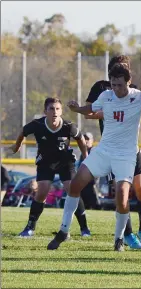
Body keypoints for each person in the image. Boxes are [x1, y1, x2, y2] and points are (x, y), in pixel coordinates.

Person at [47, 63, 141, 251]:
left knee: (122, 197)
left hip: (126, 155)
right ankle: (64, 231)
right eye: (113, 84)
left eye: (120, 85)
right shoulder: (106, 95)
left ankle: (118, 239)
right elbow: (91, 109)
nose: (116, 89)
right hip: (104, 150)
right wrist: (78, 110)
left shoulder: (139, 97)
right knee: (75, 185)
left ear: (128, 82)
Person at [85, 55, 141, 249]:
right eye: (116, 67)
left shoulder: (132, 90)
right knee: (122, 192)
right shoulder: (101, 88)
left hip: (131, 147)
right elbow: (89, 111)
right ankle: (127, 235)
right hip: (112, 148)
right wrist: (110, 111)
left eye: (124, 68)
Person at [10, 97, 91, 237]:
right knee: (41, 192)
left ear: (61, 111)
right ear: (45, 111)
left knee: (73, 190)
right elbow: (23, 132)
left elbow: (80, 139)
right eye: (51, 109)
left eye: (58, 109)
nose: (55, 111)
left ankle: (84, 229)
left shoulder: (68, 126)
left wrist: (86, 157)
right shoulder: (37, 125)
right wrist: (17, 146)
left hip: (65, 162)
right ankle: (30, 228)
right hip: (45, 162)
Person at [78, 132, 101, 210]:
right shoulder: (83, 152)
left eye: (88, 139)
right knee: (85, 204)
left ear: (92, 140)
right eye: (84, 139)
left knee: (95, 204)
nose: (86, 141)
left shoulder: (95, 151)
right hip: (83, 182)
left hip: (92, 182)